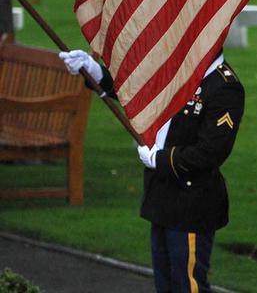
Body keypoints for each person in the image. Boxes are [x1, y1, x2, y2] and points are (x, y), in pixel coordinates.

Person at [59, 48, 244, 293]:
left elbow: (211, 151)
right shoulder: (177, 69)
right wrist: (95, 73)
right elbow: (139, 93)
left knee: (187, 285)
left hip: (192, 203)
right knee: (165, 284)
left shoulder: (224, 86)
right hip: (162, 196)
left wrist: (162, 159)